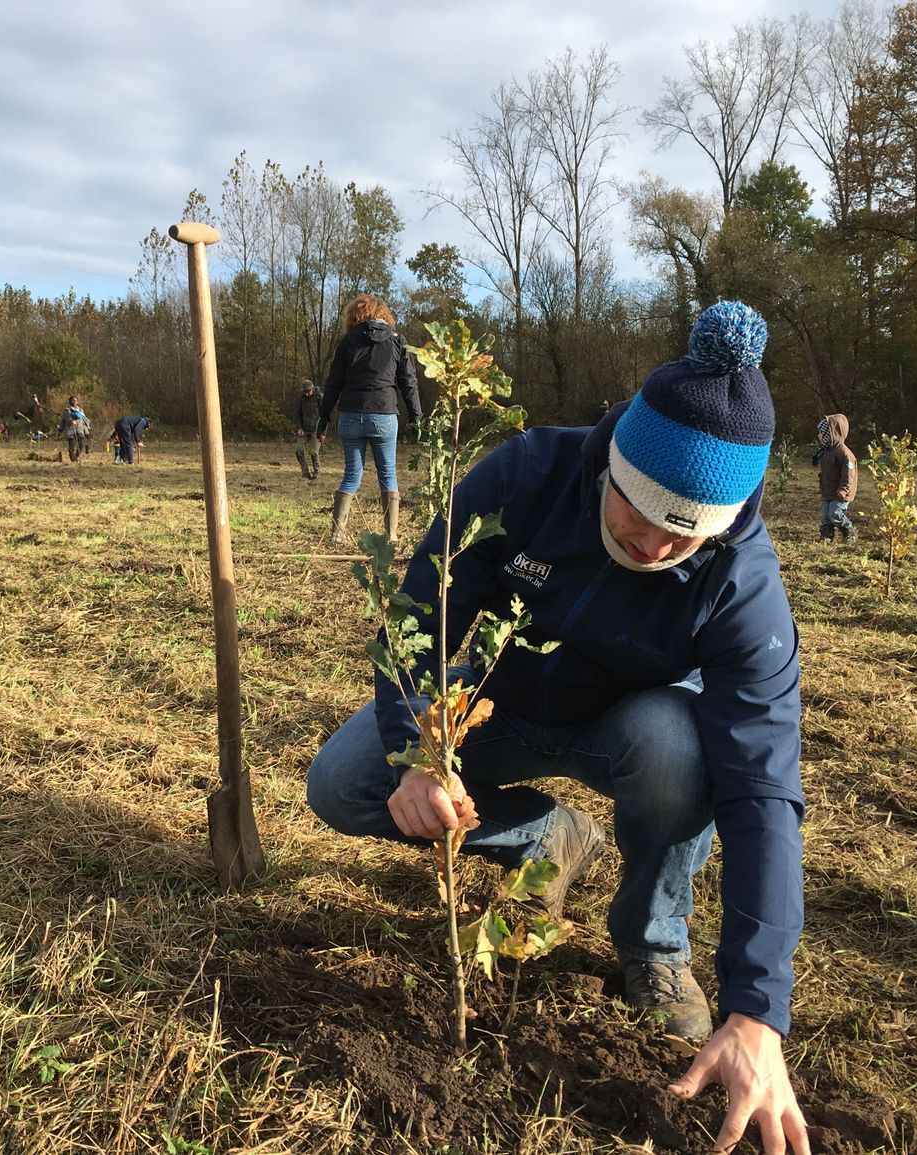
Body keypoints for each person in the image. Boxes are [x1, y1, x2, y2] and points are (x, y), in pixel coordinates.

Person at [307, 301, 810, 1155]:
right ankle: (545, 836)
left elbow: (763, 788)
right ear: (609, 462)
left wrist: (757, 1006)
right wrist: (416, 755)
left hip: (632, 728)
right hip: (500, 701)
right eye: (637, 509)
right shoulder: (530, 473)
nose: (652, 545)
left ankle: (653, 940)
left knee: (683, 750)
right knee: (344, 782)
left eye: (683, 533)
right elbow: (414, 624)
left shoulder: (742, 582)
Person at [317, 293, 422, 546]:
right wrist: (417, 417)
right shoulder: (398, 341)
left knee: (351, 473)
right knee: (388, 474)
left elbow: (334, 382)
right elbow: (408, 383)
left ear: (355, 315)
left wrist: (323, 415)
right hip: (384, 415)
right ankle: (392, 535)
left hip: (351, 415)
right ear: (384, 314)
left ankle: (337, 533)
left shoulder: (348, 341)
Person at [815, 414, 857, 543]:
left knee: (835, 514)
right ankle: (826, 536)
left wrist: (843, 490)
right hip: (829, 490)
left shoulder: (844, 453)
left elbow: (849, 475)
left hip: (840, 493)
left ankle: (849, 530)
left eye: (822, 433)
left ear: (832, 433)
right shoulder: (827, 451)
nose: (819, 436)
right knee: (826, 516)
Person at [291, 378, 322, 481]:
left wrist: (323, 432)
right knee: (299, 450)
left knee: (313, 452)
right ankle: (305, 472)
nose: (307, 394)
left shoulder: (319, 397)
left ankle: (316, 472)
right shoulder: (301, 398)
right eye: (305, 392)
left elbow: (325, 416)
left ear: (312, 389)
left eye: (308, 391)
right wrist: (299, 427)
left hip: (316, 429)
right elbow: (298, 414)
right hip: (303, 428)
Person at [59, 395, 91, 462]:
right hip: (70, 430)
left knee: (81, 445)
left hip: (80, 430)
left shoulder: (80, 410)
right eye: (73, 400)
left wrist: (87, 432)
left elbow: (84, 421)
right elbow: (63, 420)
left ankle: (77, 455)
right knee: (71, 446)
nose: (75, 401)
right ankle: (73, 459)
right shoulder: (67, 410)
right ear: (70, 401)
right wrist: (60, 429)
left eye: (76, 400)